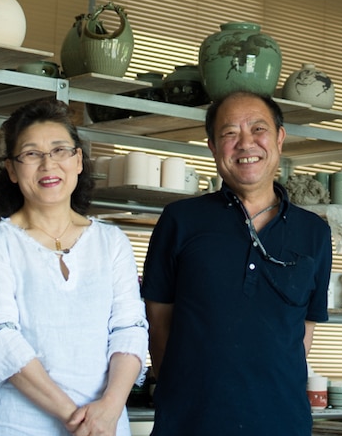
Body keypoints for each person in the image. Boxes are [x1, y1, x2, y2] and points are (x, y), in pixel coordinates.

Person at [141, 90, 332, 435]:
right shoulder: (179, 220)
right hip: (189, 423)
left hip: (282, 423)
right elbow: (158, 326)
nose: (246, 143)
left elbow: (303, 332)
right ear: (213, 147)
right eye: (229, 133)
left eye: (258, 129)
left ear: (280, 138)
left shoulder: (314, 232)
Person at [0, 99, 148, 436]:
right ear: (11, 169)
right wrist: (78, 420)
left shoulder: (112, 241)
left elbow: (130, 330)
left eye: (60, 150)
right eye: (31, 154)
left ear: (78, 160)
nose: (48, 164)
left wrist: (108, 410)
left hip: (106, 424)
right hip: (17, 425)